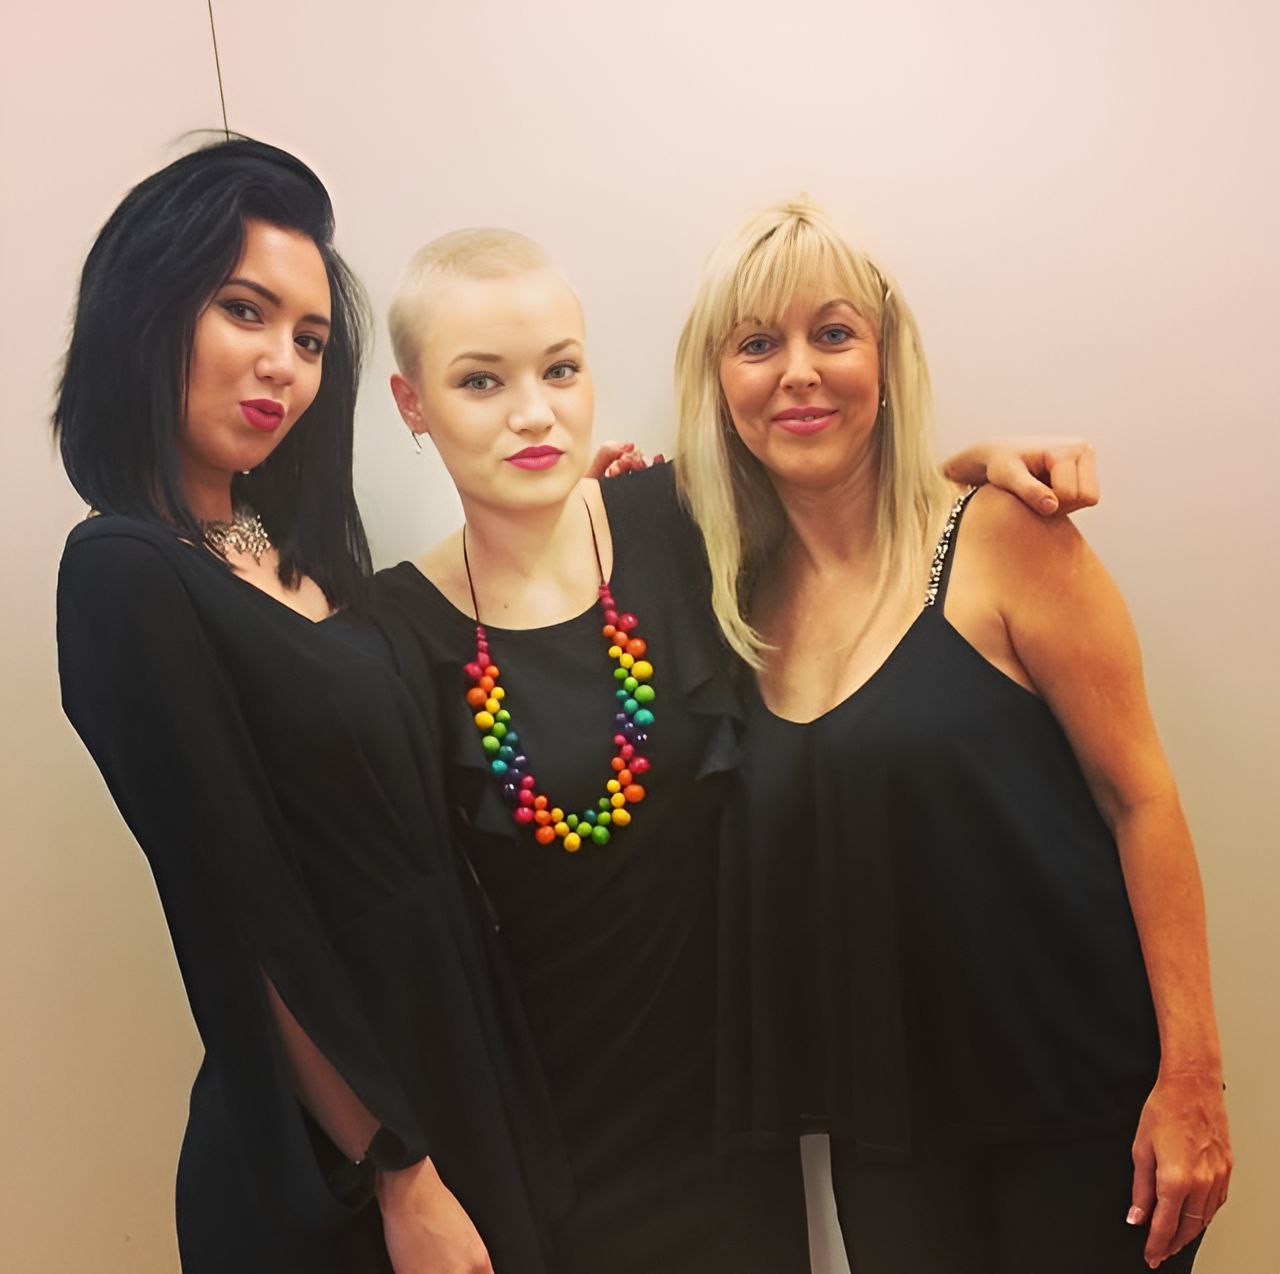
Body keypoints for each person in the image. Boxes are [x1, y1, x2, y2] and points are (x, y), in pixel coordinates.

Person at [373, 228, 1098, 1273]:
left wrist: (976, 474)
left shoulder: (677, 522)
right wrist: (407, 1176)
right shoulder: (389, 639)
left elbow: (850, 504)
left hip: (733, 1133)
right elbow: (382, 941)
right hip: (543, 1143)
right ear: (412, 403)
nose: (532, 412)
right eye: (480, 380)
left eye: (559, 369)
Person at [672, 197, 1232, 1273]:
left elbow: (1141, 798)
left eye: (833, 332)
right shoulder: (731, 603)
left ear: (885, 361)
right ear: (719, 383)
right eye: (757, 343)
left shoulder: (1004, 534)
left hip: (1086, 1125)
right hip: (891, 1147)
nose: (798, 371)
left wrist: (1193, 1078)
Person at [54, 139, 568, 1274]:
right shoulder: (124, 572)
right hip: (346, 1145)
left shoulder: (297, 552)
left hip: (455, 1057)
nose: (281, 363)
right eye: (245, 311)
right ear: (149, 310)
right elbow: (239, 911)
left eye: (310, 339)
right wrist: (397, 1169)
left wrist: (582, 511)